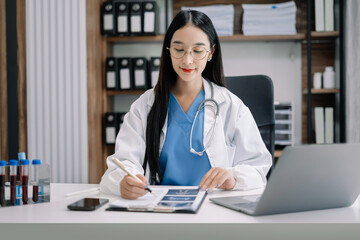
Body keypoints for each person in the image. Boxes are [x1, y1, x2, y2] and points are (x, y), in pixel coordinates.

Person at [100, 10, 272, 200]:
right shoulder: (145, 106)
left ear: (211, 52)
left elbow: (259, 169)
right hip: (161, 207)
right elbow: (121, 164)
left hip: (214, 207)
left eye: (197, 51)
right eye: (179, 49)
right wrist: (124, 181)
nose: (187, 60)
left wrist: (233, 177)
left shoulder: (231, 106)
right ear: (168, 50)